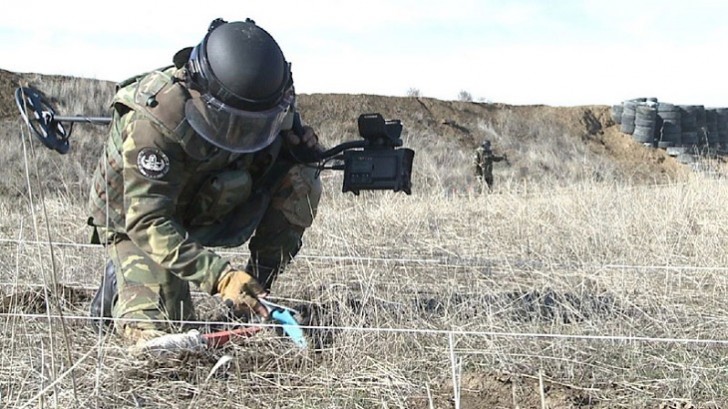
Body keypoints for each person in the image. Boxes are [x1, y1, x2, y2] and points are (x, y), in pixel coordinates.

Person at [87, 18, 322, 344]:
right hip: (139, 220)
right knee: (166, 340)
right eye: (230, 120)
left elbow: (282, 147)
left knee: (302, 179)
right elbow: (148, 220)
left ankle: (255, 294)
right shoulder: (154, 119)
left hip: (209, 197)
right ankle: (122, 276)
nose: (239, 131)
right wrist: (220, 277)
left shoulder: (271, 102)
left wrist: (300, 149)